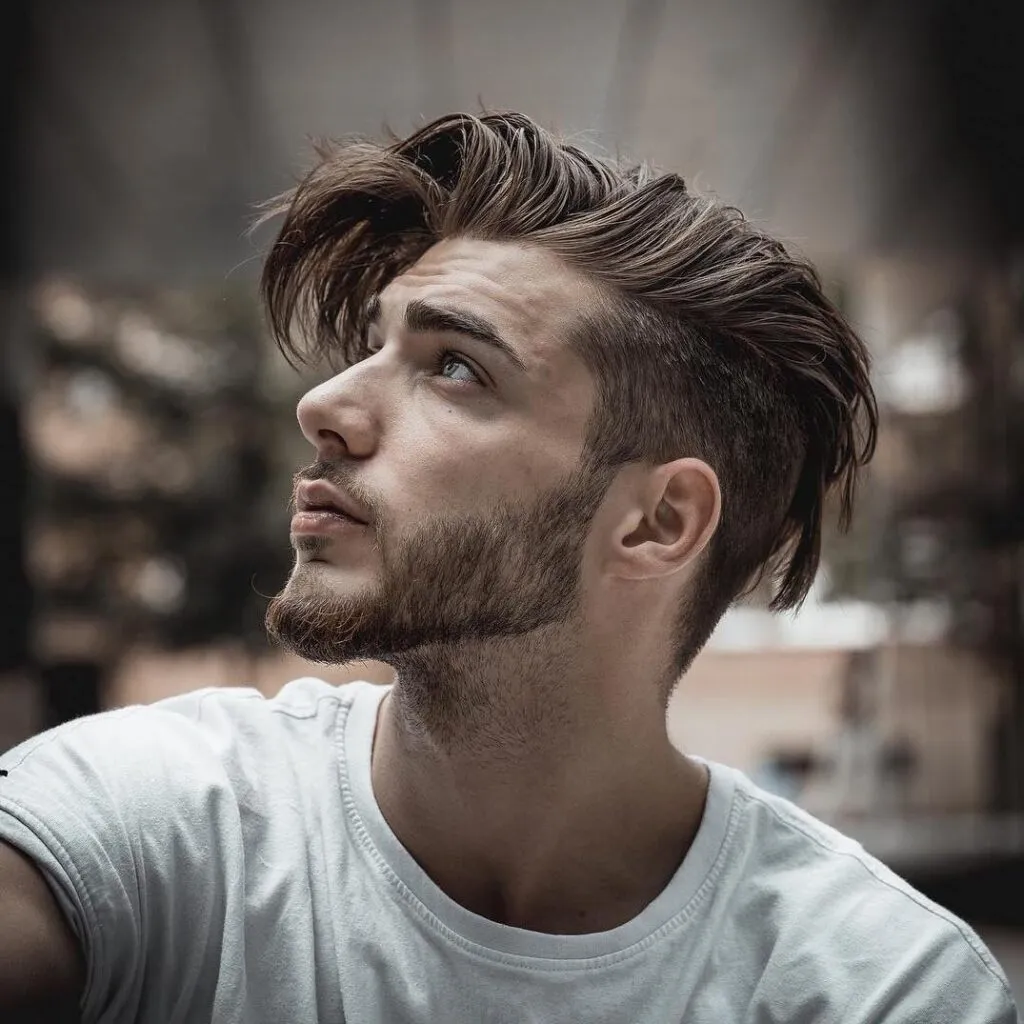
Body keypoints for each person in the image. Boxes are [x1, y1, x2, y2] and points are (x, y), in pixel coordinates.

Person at [0, 111, 1017, 1023]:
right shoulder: (164, 824)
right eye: (371, 343)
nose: (325, 406)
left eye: (454, 366)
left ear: (657, 521)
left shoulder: (876, 987)